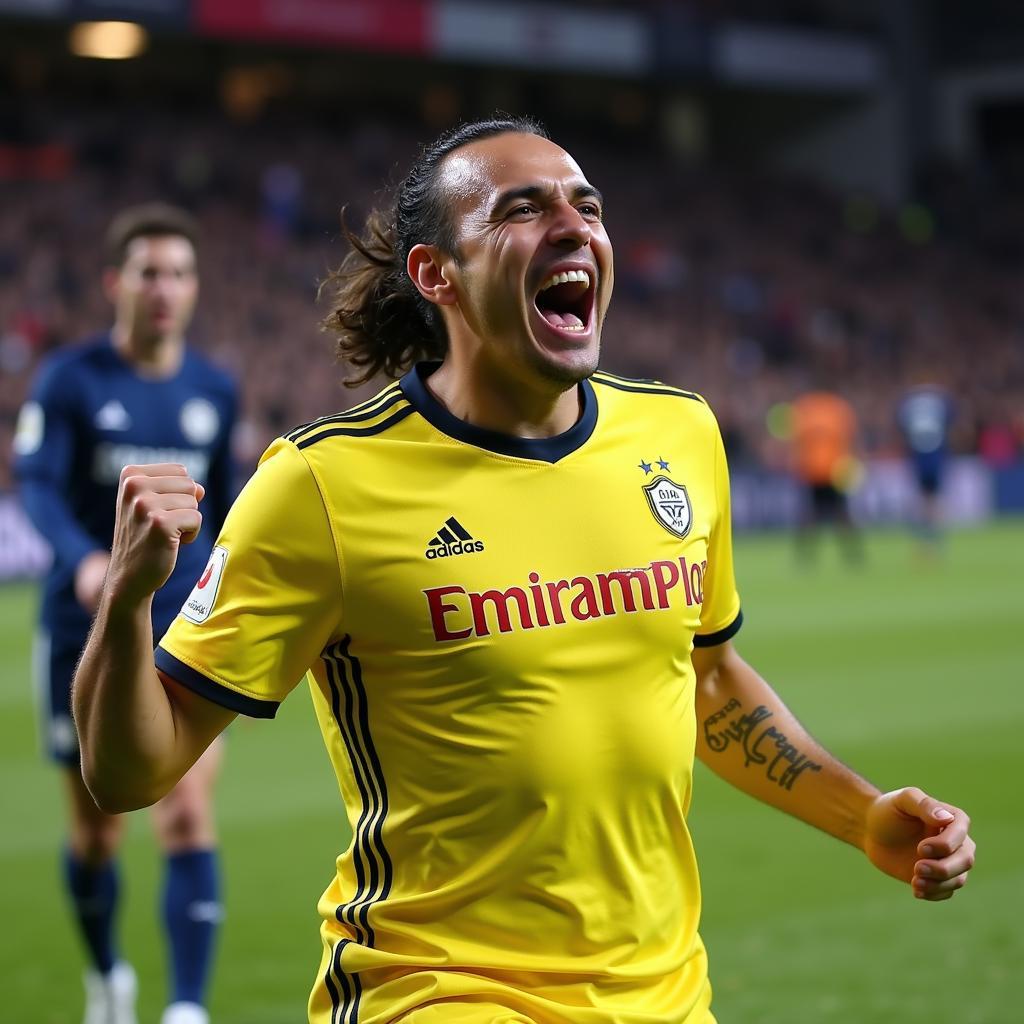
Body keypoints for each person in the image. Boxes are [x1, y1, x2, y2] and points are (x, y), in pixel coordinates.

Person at [71, 119, 975, 1024]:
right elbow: (129, 772)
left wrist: (861, 816)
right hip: (438, 992)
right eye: (523, 208)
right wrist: (126, 599)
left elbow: (706, 679)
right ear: (436, 275)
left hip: (666, 996)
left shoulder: (680, 435)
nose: (574, 225)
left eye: (587, 204)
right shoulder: (319, 485)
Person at [14, 203, 237, 1024]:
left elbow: (229, 504)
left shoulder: (213, 388)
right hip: (90, 630)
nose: (164, 289)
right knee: (100, 830)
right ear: (116, 282)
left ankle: (186, 1008)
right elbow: (36, 484)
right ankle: (108, 973)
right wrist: (83, 563)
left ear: (195, 287)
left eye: (179, 273)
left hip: (185, 627)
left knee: (184, 808)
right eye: (148, 272)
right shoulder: (69, 380)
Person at [789, 387, 863, 565]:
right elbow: (851, 439)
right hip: (830, 470)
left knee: (814, 515)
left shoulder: (805, 408)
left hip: (817, 470)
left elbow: (796, 441)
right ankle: (851, 554)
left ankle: (806, 556)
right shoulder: (838, 408)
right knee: (838, 514)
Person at [897, 382, 955, 554]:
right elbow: (951, 422)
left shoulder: (908, 403)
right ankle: (933, 537)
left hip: (919, 453)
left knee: (924, 496)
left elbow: (902, 425)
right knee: (933, 497)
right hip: (935, 452)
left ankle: (926, 537)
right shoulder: (941, 401)